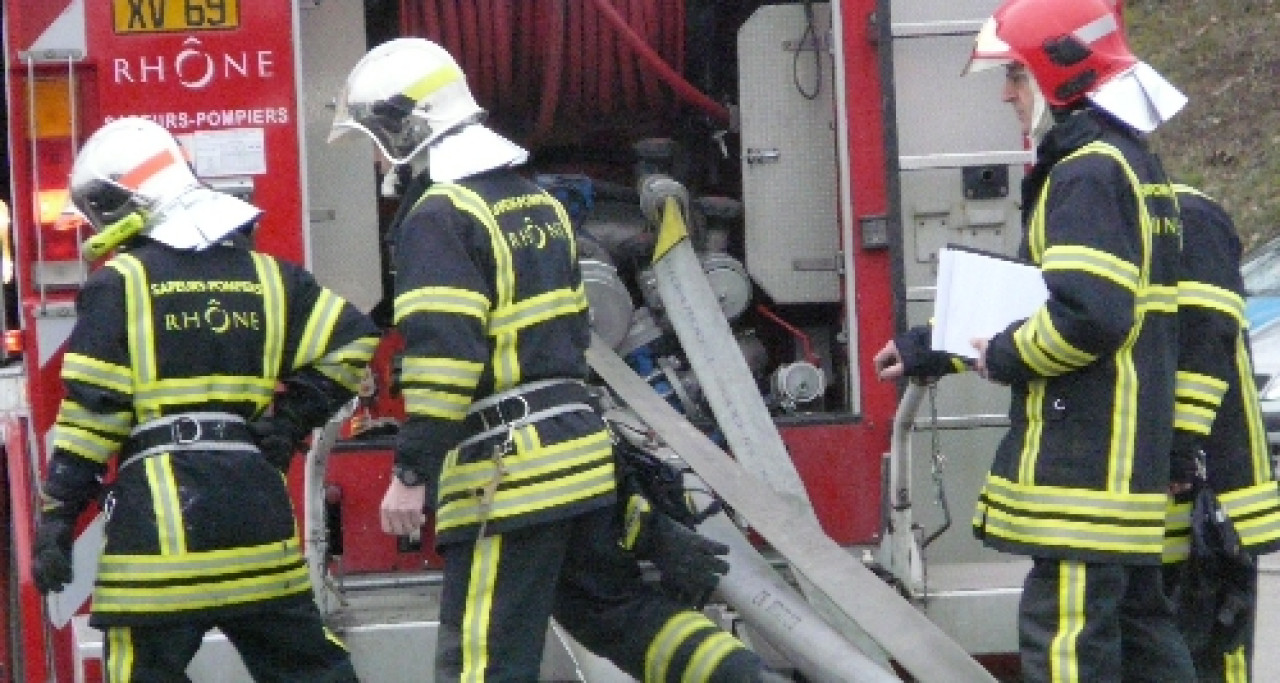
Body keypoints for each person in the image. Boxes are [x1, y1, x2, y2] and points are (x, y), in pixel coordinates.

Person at [329, 38, 780, 682]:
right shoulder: (539, 202)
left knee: (483, 658)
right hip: (581, 459)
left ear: (409, 127)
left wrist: (410, 471)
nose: (377, 155)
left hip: (506, 477)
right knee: (619, 612)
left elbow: (445, 360)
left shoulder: (438, 214)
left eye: (377, 135)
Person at [874, 0, 1197, 679]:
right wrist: (937, 344)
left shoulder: (1084, 173)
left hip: (1085, 477)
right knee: (1145, 644)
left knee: (1067, 647)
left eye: (1018, 76)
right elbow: (1049, 301)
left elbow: (1088, 315)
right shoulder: (1132, 166)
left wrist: (1002, 354)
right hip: (1123, 475)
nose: (1007, 93)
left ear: (1061, 76)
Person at [30, 116, 379, 681]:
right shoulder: (271, 277)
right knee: (310, 669)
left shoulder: (119, 284)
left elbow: (92, 417)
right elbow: (354, 340)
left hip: (161, 541)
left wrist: (58, 517)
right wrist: (289, 423)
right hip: (256, 529)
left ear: (122, 201)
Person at [1164, 184, 1280, 681]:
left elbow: (1206, 339)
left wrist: (1179, 450)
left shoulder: (1187, 214)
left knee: (1213, 651)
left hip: (1215, 504)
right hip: (1179, 502)